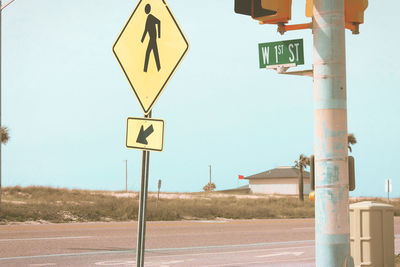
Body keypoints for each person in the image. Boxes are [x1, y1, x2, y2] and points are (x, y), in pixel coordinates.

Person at [141, 4, 161, 72]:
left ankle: (145, 70)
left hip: (153, 38)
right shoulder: (148, 18)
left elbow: (159, 22)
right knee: (155, 53)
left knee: (148, 53)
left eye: (146, 9)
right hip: (152, 39)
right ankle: (159, 68)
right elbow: (146, 30)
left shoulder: (150, 17)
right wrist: (142, 40)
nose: (145, 10)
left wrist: (159, 35)